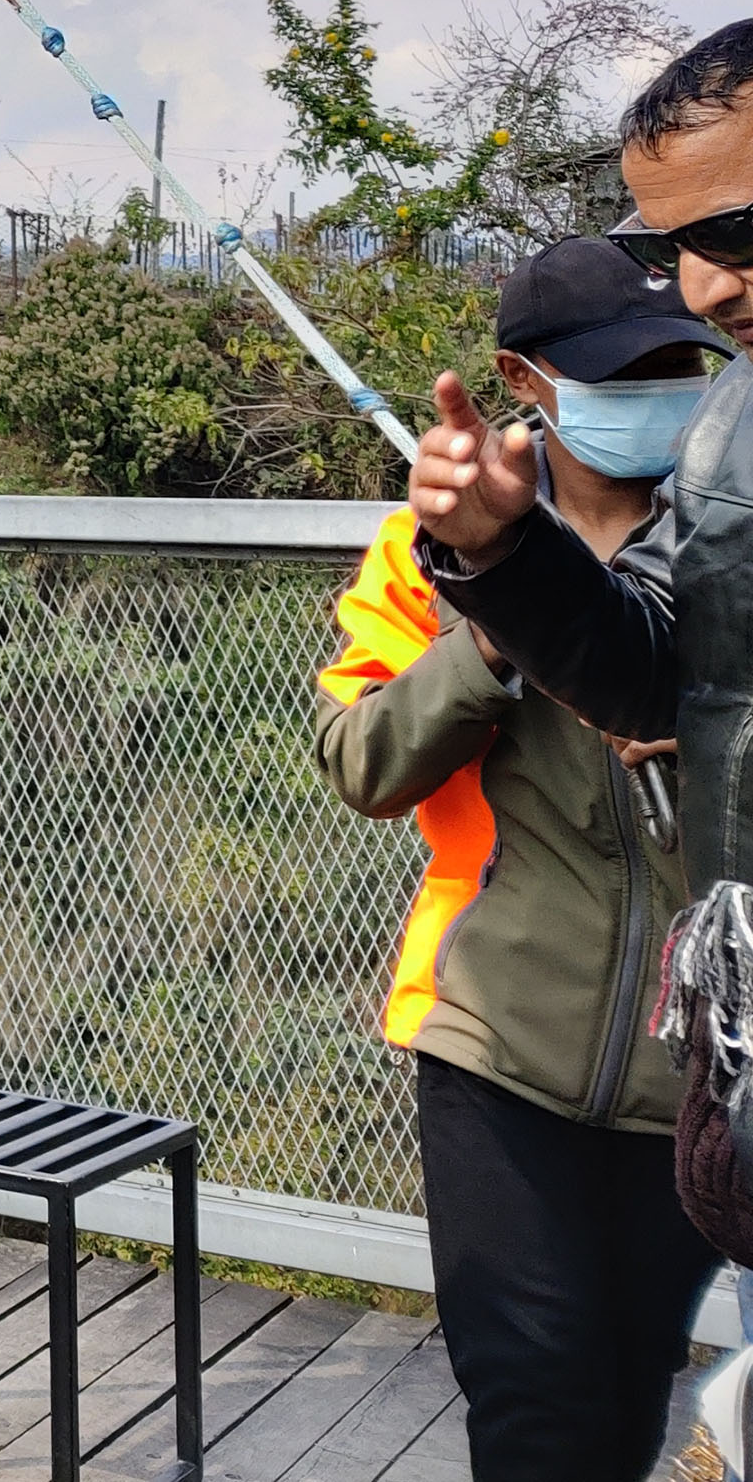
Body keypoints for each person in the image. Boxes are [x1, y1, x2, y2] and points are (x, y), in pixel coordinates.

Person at [316, 238, 725, 1481]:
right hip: (491, 1042)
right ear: (526, 376)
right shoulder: (427, 547)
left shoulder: (733, 536)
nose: (662, 386)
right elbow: (363, 764)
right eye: (624, 367)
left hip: (697, 1055)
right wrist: (499, 617)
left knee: (637, 1379)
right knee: (532, 1398)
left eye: (681, 363)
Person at [412, 23, 753, 1209]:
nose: (709, 289)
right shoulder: (730, 446)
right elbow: (659, 667)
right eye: (677, 248)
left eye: (738, 233)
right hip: (539, 1056)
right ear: (525, 387)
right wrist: (504, 563)